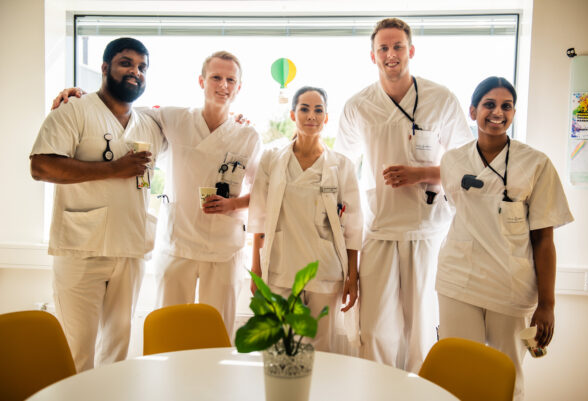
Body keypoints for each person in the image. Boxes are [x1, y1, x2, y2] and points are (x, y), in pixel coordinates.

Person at [53, 51, 262, 339]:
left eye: (230, 80)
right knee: (170, 333)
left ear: (239, 87)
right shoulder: (174, 118)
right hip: (177, 243)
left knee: (217, 334)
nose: (223, 85)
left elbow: (263, 193)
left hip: (224, 248)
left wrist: (233, 204)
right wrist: (80, 96)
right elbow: (120, 111)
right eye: (216, 77)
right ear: (201, 81)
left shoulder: (248, 135)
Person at [334, 18, 473, 371]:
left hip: (427, 231)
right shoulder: (358, 105)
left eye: (397, 46)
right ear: (373, 56)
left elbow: (468, 168)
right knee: (374, 329)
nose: (390, 54)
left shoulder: (441, 99)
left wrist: (420, 174)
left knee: (421, 331)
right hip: (378, 230)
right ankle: (375, 391)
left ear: (411, 51)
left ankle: (419, 393)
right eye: (383, 48)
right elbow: (341, 171)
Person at [30, 37, 167, 372]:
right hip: (81, 250)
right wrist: (113, 169)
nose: (135, 72)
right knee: (77, 351)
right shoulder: (74, 109)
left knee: (118, 352)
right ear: (105, 67)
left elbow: (197, 126)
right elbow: (41, 166)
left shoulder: (150, 124)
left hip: (130, 249)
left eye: (142, 67)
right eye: (126, 63)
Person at [436, 76, 573, 400]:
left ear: (513, 112)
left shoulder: (535, 163)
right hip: (458, 279)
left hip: (510, 285)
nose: (498, 112)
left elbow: (544, 240)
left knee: (506, 378)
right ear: (473, 111)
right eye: (489, 104)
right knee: (457, 372)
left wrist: (548, 304)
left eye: (506, 106)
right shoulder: (452, 161)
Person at [248, 86, 362, 352]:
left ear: (326, 117)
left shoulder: (341, 165)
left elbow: (353, 226)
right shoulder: (272, 160)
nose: (312, 115)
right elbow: (259, 217)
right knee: (280, 348)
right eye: (305, 109)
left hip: (326, 270)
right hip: (281, 269)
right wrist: (256, 270)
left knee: (321, 349)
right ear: (292, 114)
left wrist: (352, 276)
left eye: (318, 110)